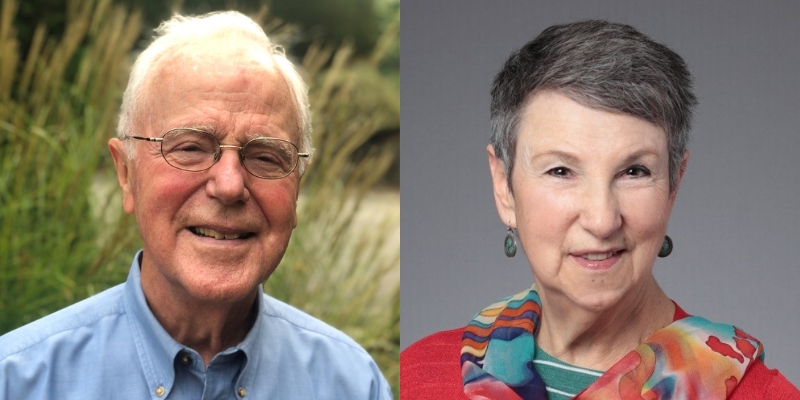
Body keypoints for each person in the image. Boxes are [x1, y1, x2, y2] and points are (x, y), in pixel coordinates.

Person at [0, 11, 391, 399]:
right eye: (190, 148)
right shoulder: (20, 381)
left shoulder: (353, 384)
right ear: (125, 173)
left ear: (296, 186)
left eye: (265, 157)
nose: (229, 185)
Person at [400, 20, 800, 399]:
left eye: (633, 171)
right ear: (504, 186)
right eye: (561, 170)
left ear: (674, 183)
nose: (602, 219)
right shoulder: (415, 377)